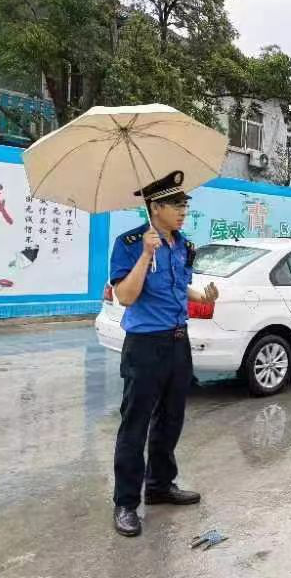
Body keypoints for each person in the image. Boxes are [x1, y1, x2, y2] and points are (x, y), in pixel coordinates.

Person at [109, 170, 219, 537]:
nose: (183, 210)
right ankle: (126, 502)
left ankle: (158, 486)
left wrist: (201, 296)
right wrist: (145, 254)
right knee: (135, 424)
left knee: (171, 419)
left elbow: (178, 284)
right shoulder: (129, 243)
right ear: (155, 207)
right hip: (145, 345)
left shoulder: (184, 244)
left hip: (177, 341)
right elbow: (125, 296)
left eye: (185, 204)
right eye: (176, 204)